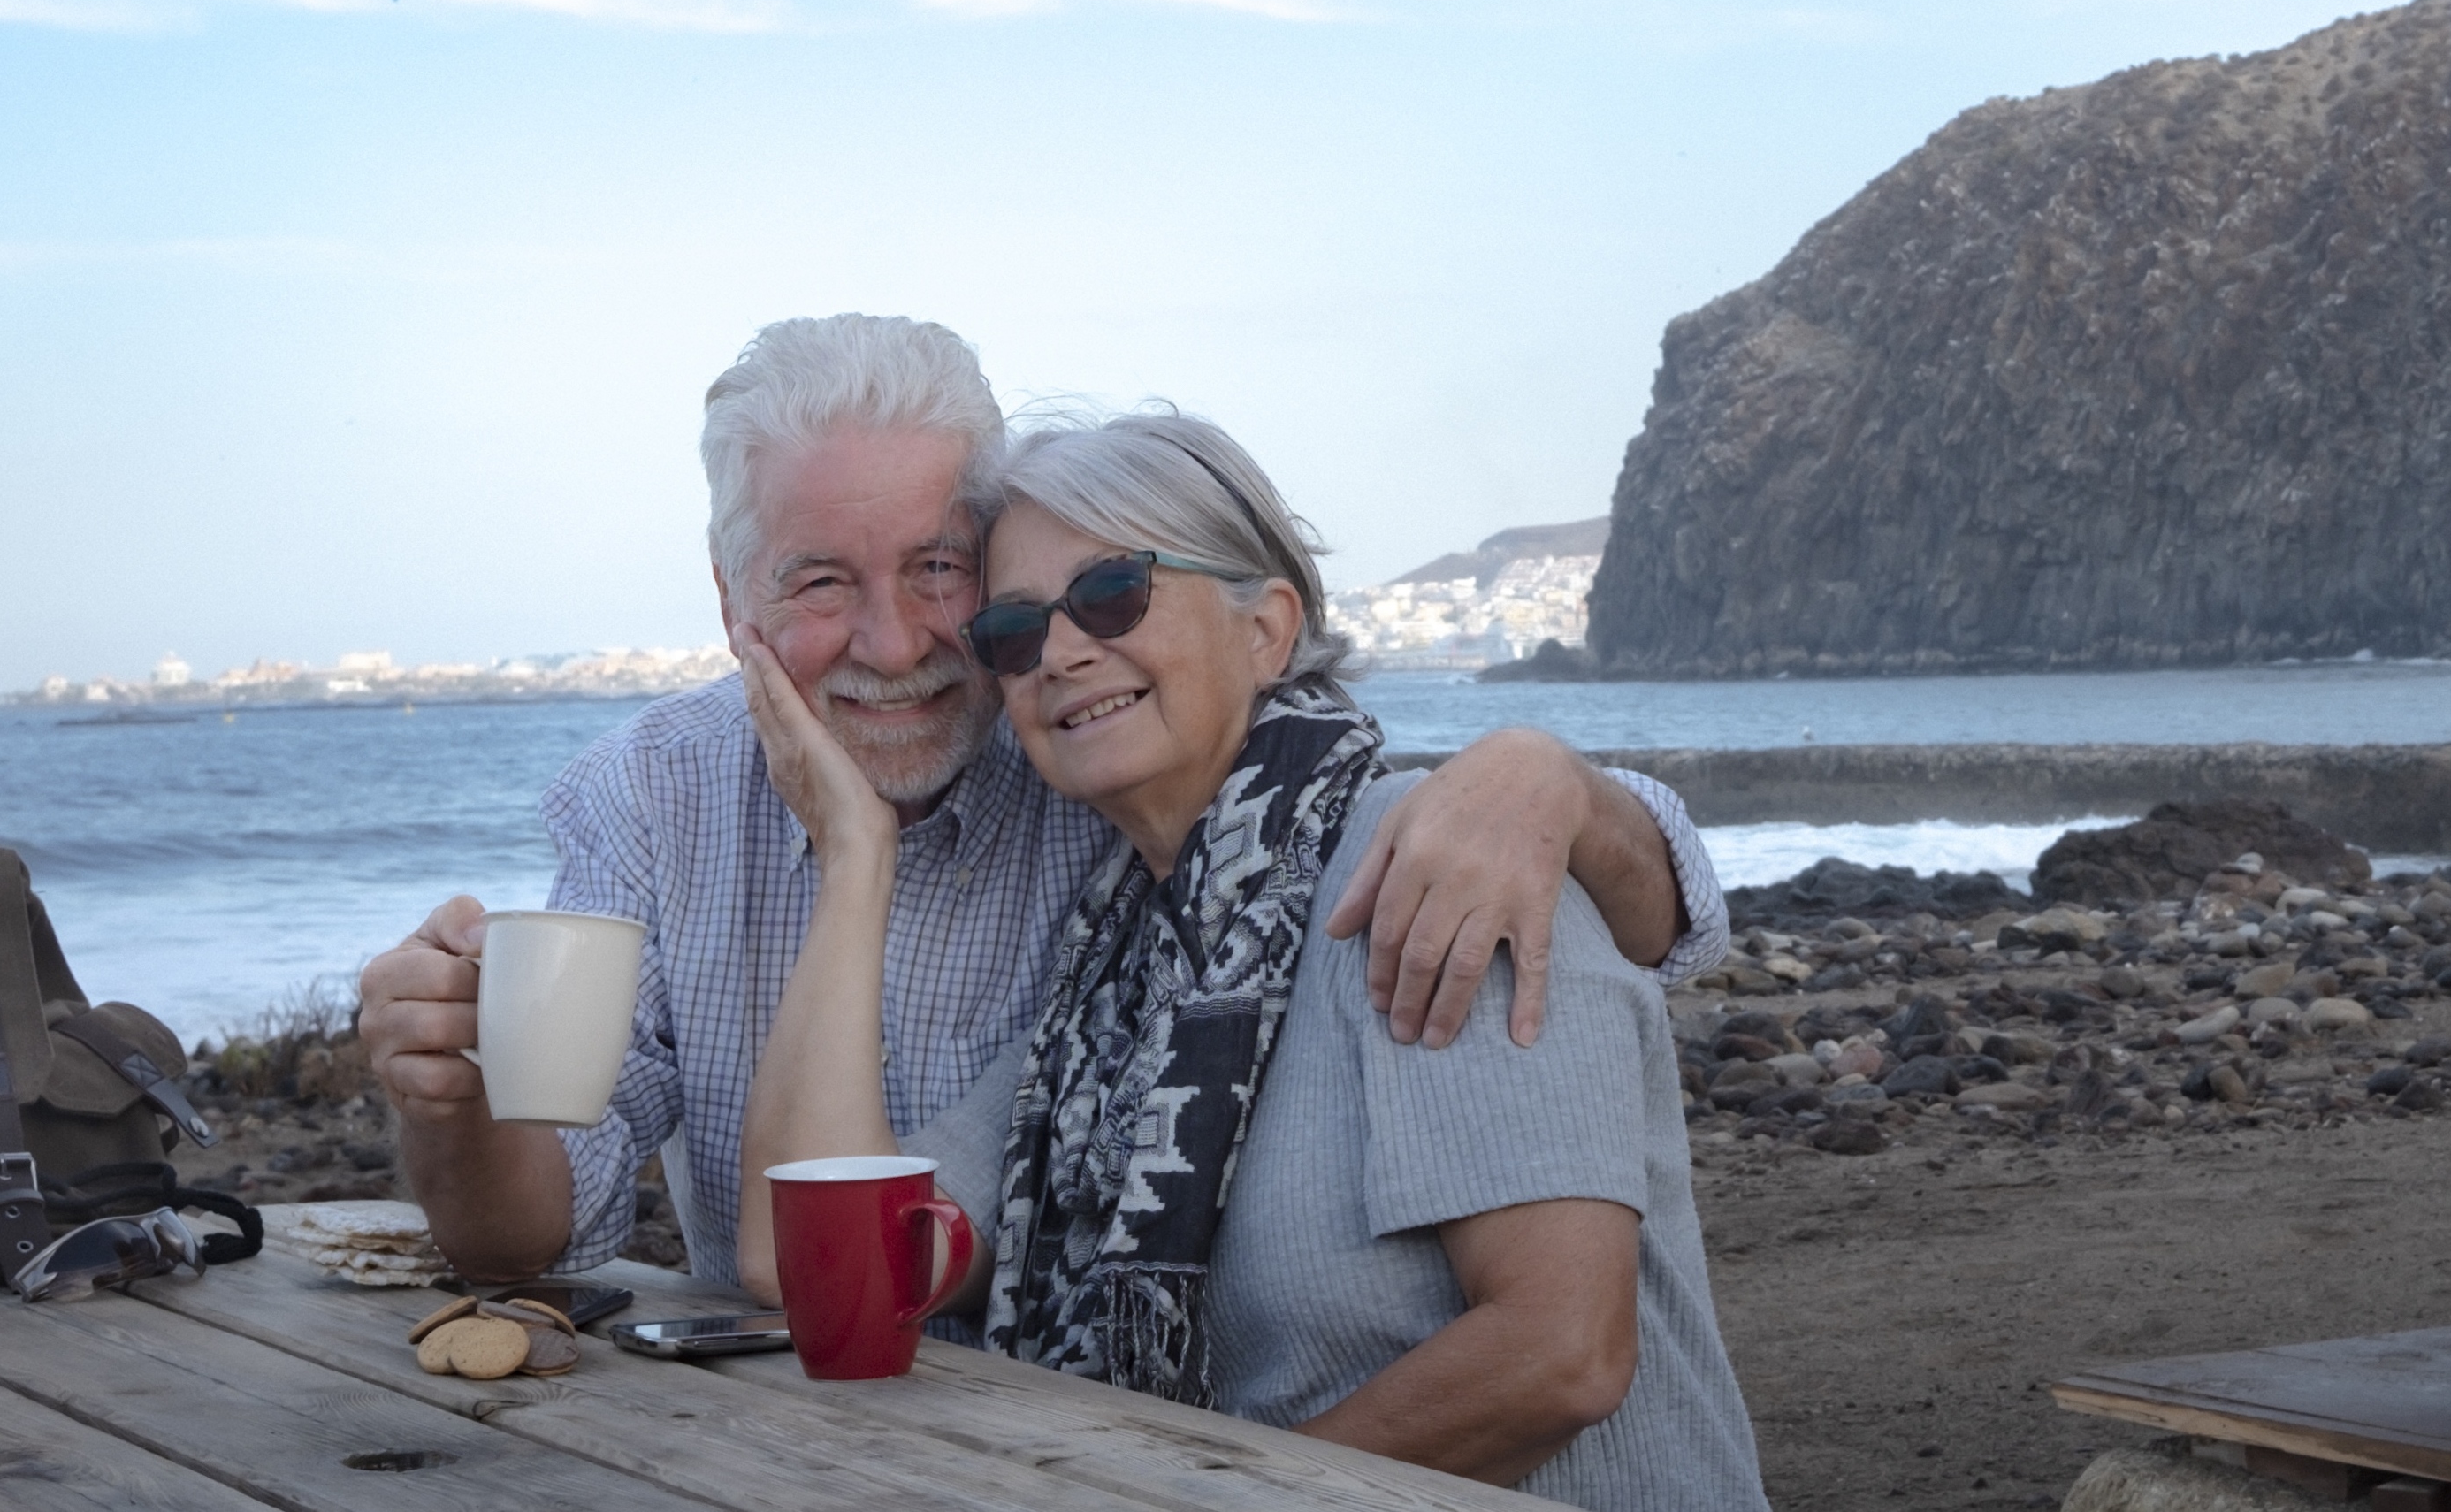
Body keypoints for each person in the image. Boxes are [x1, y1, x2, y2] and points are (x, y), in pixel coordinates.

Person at [355, 315, 1727, 1289]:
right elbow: (538, 1236)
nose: (895, 645)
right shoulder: (656, 795)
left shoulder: (1097, 746)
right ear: (733, 607)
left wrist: (1548, 777)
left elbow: (1626, 910)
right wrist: (451, 1107)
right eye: (821, 580)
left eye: (941, 571)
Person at [733, 409, 1765, 1508]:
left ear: (1268, 627)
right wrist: (854, 852)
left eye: (1114, 593)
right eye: (1016, 632)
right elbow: (818, 1266)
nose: (1065, 650)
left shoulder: (1429, 860)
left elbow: (1560, 1357)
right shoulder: (1117, 977)